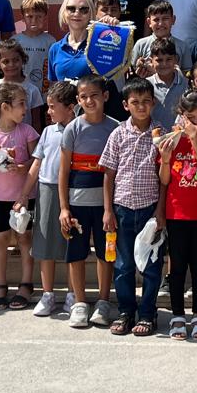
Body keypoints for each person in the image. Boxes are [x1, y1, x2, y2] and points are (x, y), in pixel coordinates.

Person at [99, 77, 165, 337]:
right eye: (135, 102)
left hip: (150, 209)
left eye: (146, 102)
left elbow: (165, 177)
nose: (141, 106)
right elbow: (108, 175)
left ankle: (148, 313)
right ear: (125, 105)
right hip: (122, 208)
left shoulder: (161, 133)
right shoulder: (117, 134)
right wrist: (107, 210)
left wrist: (161, 211)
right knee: (123, 264)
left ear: (154, 103)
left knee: (151, 264)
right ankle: (126, 311)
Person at [158, 90, 197, 341]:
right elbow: (164, 180)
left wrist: (195, 138)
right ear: (181, 116)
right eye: (191, 117)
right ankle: (177, 316)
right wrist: (164, 160)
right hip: (176, 214)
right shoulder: (171, 140)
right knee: (177, 268)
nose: (196, 122)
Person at [58, 75, 118, 330]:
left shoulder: (116, 127)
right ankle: (80, 303)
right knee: (76, 253)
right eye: (83, 97)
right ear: (78, 100)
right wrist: (63, 208)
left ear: (105, 97)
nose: (89, 100)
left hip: (107, 207)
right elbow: (63, 171)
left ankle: (104, 301)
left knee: (107, 253)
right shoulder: (72, 128)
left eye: (94, 95)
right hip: (77, 203)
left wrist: (110, 208)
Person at [0, 81, 40, 310]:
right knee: (0, 239)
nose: (25, 108)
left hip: (24, 196)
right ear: (5, 107)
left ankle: (26, 283)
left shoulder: (27, 131)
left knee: (24, 238)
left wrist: (23, 167)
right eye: (21, 104)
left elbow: (36, 160)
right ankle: (1, 284)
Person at [25, 80, 79, 316]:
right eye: (47, 106)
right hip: (47, 190)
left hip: (74, 191)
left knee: (71, 244)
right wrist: (23, 194)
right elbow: (36, 163)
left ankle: (72, 294)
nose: (48, 112)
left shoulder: (80, 128)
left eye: (52, 106)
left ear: (70, 107)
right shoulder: (47, 131)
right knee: (45, 243)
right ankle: (47, 295)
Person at [131, 0, 195, 73]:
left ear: (173, 20)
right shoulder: (141, 44)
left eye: (165, 18)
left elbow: (188, 74)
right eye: (156, 19)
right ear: (149, 22)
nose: (160, 23)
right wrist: (139, 69)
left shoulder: (182, 46)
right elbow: (131, 70)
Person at [47, 0, 95, 84]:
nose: (77, 13)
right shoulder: (55, 49)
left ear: (91, 14)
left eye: (83, 9)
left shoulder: (99, 45)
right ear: (64, 13)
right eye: (71, 9)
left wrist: (113, 28)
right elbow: (53, 87)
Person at [15, 0, 58, 91]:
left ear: (45, 18)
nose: (34, 20)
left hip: (42, 92)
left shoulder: (50, 41)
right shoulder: (15, 41)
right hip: (20, 92)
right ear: (23, 17)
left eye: (39, 17)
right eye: (30, 16)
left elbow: (53, 68)